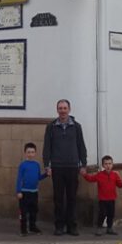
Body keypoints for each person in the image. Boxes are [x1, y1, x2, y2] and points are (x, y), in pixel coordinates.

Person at [42, 99, 87, 236]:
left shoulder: (77, 126)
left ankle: (72, 226)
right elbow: (47, 147)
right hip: (57, 167)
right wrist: (47, 165)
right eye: (60, 108)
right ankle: (59, 226)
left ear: (69, 109)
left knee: (72, 198)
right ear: (57, 110)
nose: (62, 110)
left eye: (65, 108)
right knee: (58, 198)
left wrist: (83, 164)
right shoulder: (51, 127)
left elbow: (81, 146)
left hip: (73, 166)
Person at [82, 155, 122, 235]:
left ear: (112, 165)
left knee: (111, 214)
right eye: (106, 164)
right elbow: (91, 179)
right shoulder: (99, 175)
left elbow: (119, 184)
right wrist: (85, 175)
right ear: (103, 165)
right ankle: (99, 228)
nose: (108, 166)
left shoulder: (115, 175)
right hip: (102, 199)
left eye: (110, 163)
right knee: (102, 214)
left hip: (112, 199)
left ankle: (109, 228)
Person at [15, 142, 47, 236]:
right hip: (24, 193)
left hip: (34, 193)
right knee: (23, 212)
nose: (30, 154)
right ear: (25, 153)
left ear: (35, 153)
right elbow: (19, 178)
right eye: (28, 152)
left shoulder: (37, 165)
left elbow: (38, 177)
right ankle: (23, 229)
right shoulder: (23, 165)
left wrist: (46, 175)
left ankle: (32, 227)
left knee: (34, 211)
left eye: (32, 152)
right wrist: (18, 191)